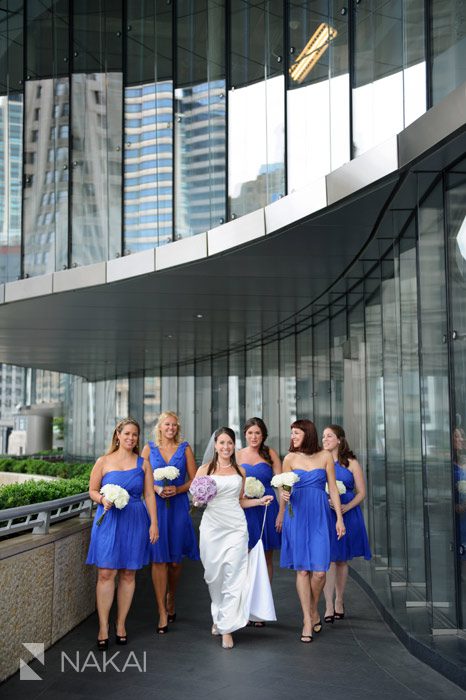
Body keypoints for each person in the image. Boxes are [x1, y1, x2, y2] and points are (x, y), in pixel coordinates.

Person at [196, 426, 274, 649]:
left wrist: (259, 502)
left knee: (234, 574)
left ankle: (227, 628)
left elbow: (240, 500)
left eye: (229, 443)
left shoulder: (241, 471)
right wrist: (199, 500)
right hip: (212, 528)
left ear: (233, 445)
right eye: (221, 442)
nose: (226, 447)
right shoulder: (204, 470)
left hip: (236, 527)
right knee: (214, 576)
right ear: (215, 445)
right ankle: (219, 615)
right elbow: (197, 501)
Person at [86, 418, 158, 650]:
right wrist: (102, 499)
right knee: (106, 572)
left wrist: (154, 524)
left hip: (135, 519)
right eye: (126, 433)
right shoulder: (103, 461)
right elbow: (92, 490)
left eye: (134, 434)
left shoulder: (143, 464)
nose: (130, 438)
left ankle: (121, 624)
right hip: (108, 521)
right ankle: (103, 627)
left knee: (128, 573)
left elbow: (149, 495)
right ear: (117, 435)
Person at [280, 419, 345, 644]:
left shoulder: (325, 456)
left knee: (319, 572)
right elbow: (283, 487)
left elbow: (333, 489)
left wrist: (339, 518)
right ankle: (307, 620)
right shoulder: (289, 458)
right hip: (297, 516)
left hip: (319, 517)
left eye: (296, 433)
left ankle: (313, 607)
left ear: (307, 434)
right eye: (292, 434)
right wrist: (284, 494)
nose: (293, 437)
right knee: (303, 571)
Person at [141, 411, 199, 634]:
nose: (171, 428)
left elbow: (194, 480)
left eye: (174, 425)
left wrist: (178, 488)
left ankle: (171, 595)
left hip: (177, 508)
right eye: (167, 424)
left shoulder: (185, 448)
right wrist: (155, 487)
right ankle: (162, 612)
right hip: (156, 507)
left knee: (175, 562)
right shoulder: (149, 449)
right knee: (159, 560)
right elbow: (141, 476)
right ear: (160, 427)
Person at [321, 424, 371, 623]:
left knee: (342, 560)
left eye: (329, 436)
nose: (324, 439)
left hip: (348, 513)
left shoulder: (351, 463)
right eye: (323, 436)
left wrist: (347, 507)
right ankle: (328, 605)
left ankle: (340, 600)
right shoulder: (320, 461)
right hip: (327, 513)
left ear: (339, 439)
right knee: (329, 559)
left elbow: (362, 493)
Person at [237, 417, 284, 609]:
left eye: (257, 433)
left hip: (268, 508)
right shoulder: (238, 455)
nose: (254, 436)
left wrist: (281, 513)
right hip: (246, 510)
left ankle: (261, 604)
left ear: (263, 435)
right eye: (250, 433)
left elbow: (281, 485)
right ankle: (246, 603)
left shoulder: (270, 453)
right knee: (245, 556)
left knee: (266, 557)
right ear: (245, 434)